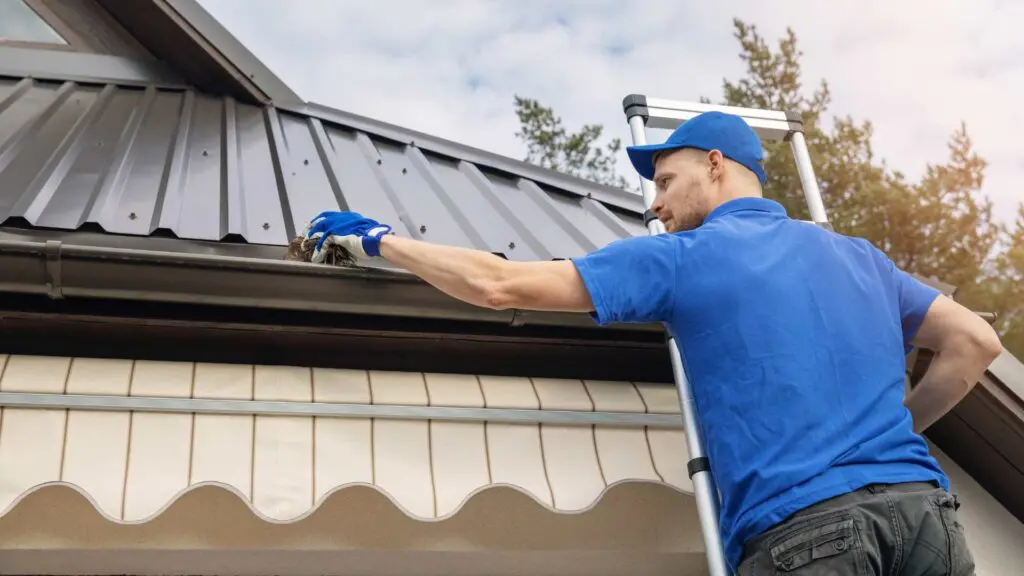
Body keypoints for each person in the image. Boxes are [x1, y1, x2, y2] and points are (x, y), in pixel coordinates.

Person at [300, 111, 1001, 575]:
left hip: (808, 535)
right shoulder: (860, 258)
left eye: (666, 181)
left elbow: (498, 285)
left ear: (717, 165)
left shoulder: (684, 257)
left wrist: (379, 240)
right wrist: (889, 432)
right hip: (926, 524)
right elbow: (974, 342)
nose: (656, 204)